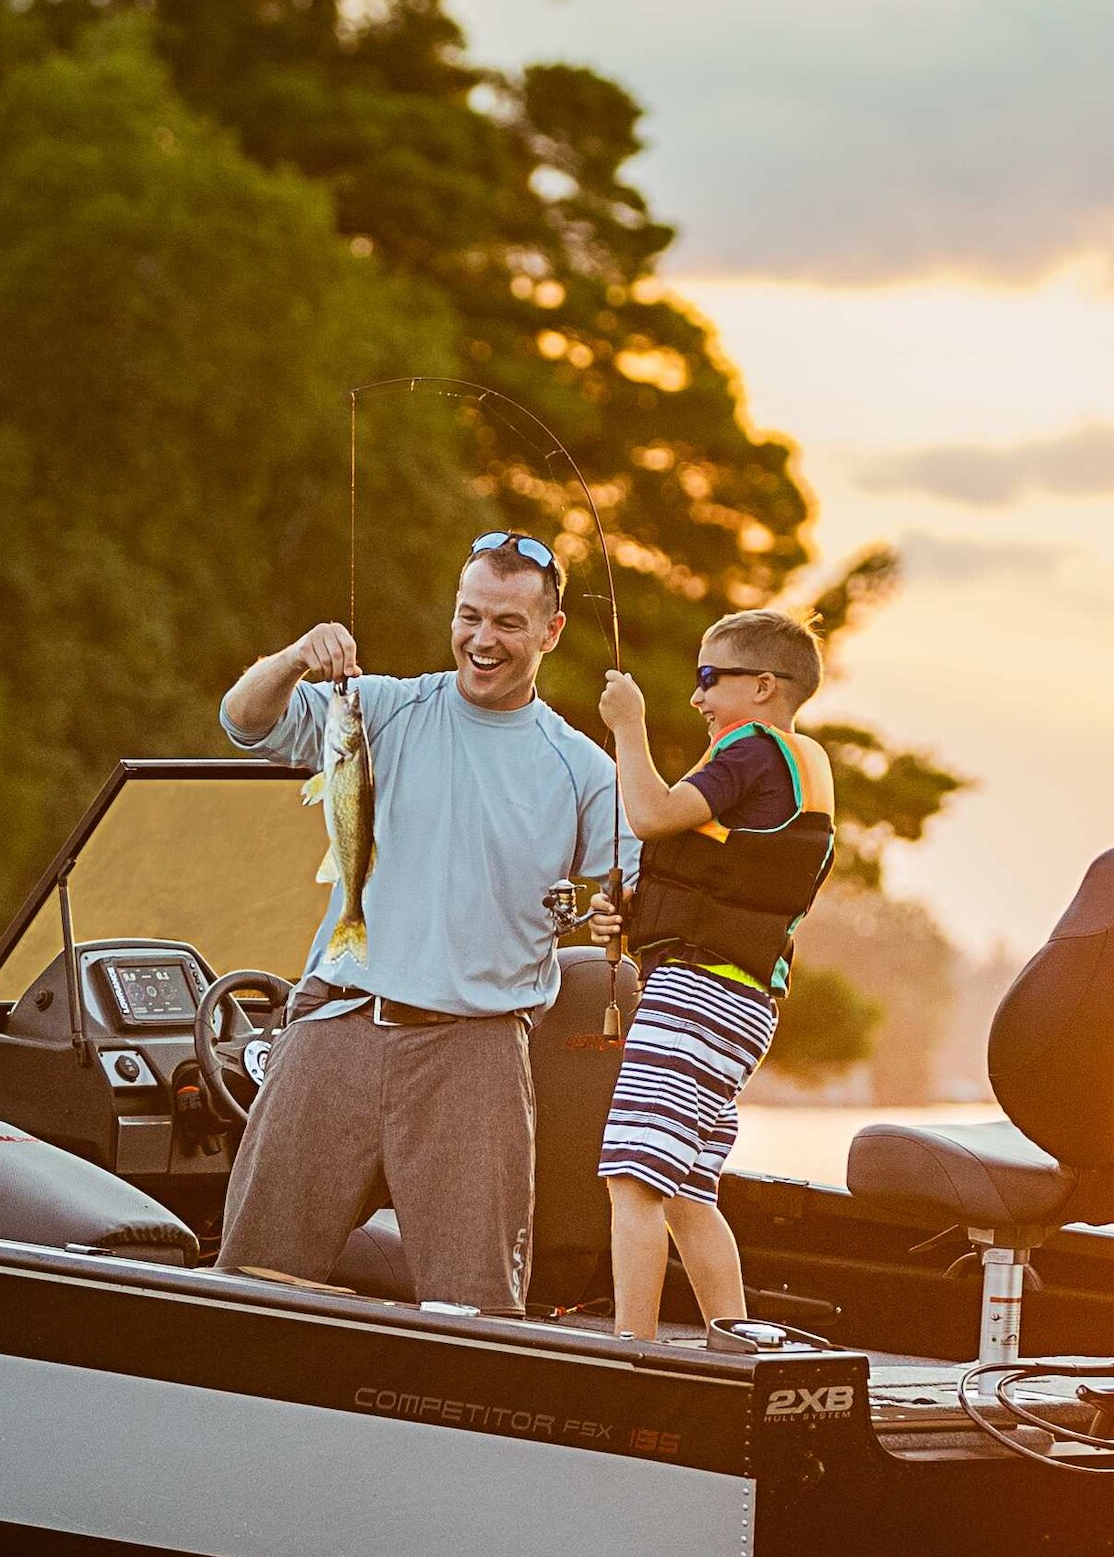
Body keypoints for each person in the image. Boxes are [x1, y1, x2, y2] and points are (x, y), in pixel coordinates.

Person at [213, 536, 624, 1308]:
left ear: (551, 631)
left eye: (507, 622)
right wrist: (300, 655)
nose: (482, 639)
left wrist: (614, 912)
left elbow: (641, 879)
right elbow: (243, 721)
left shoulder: (580, 767)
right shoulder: (379, 707)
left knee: (476, 1306)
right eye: (469, 616)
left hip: (476, 1049)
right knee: (253, 1282)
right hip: (336, 1021)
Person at [588, 610, 841, 1344]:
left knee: (633, 1176)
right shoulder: (783, 766)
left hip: (698, 996)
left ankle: (630, 1352)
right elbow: (721, 878)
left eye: (709, 680)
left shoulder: (751, 751)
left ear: (763, 686)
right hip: (741, 1002)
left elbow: (650, 812)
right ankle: (735, 1342)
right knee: (689, 1191)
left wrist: (627, 726)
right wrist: (630, 918)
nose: (696, 699)